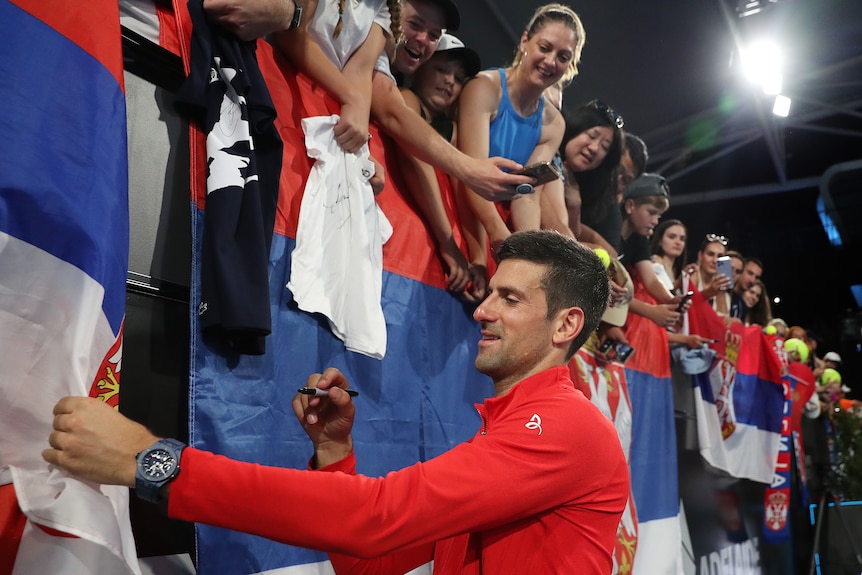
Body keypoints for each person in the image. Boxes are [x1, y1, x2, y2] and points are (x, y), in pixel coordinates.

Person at [43, 230, 629, 574]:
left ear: (565, 325)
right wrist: (333, 451)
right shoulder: (516, 429)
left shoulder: (562, 426)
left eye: (509, 298)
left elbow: (372, 521)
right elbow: (368, 561)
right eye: (490, 294)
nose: (482, 310)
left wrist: (154, 462)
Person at [457, 4, 586, 284]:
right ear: (525, 41)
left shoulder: (554, 124)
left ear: (570, 65)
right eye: (545, 47)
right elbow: (470, 174)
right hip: (460, 211)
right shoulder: (484, 88)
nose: (551, 61)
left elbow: (526, 193)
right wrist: (496, 233)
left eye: (563, 56)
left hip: (498, 225)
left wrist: (525, 251)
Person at [397, 33, 481, 294]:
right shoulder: (404, 97)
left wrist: (479, 259)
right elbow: (417, 156)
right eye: (442, 70)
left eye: (458, 78)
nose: (449, 81)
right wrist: (448, 244)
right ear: (419, 69)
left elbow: (467, 191)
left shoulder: (453, 130)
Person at [543, 100, 624, 252]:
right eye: (591, 136)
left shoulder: (594, 191)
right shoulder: (545, 152)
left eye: (604, 147)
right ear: (575, 128)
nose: (594, 148)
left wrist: (575, 206)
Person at [689, 234, 732, 317]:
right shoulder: (692, 277)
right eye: (710, 254)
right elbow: (689, 308)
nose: (715, 260)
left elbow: (724, 321)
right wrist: (709, 292)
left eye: (720, 256)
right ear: (700, 256)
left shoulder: (724, 292)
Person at [650, 218, 688, 291]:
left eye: (682, 239)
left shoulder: (676, 271)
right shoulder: (655, 264)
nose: (678, 242)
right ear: (660, 241)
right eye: (672, 237)